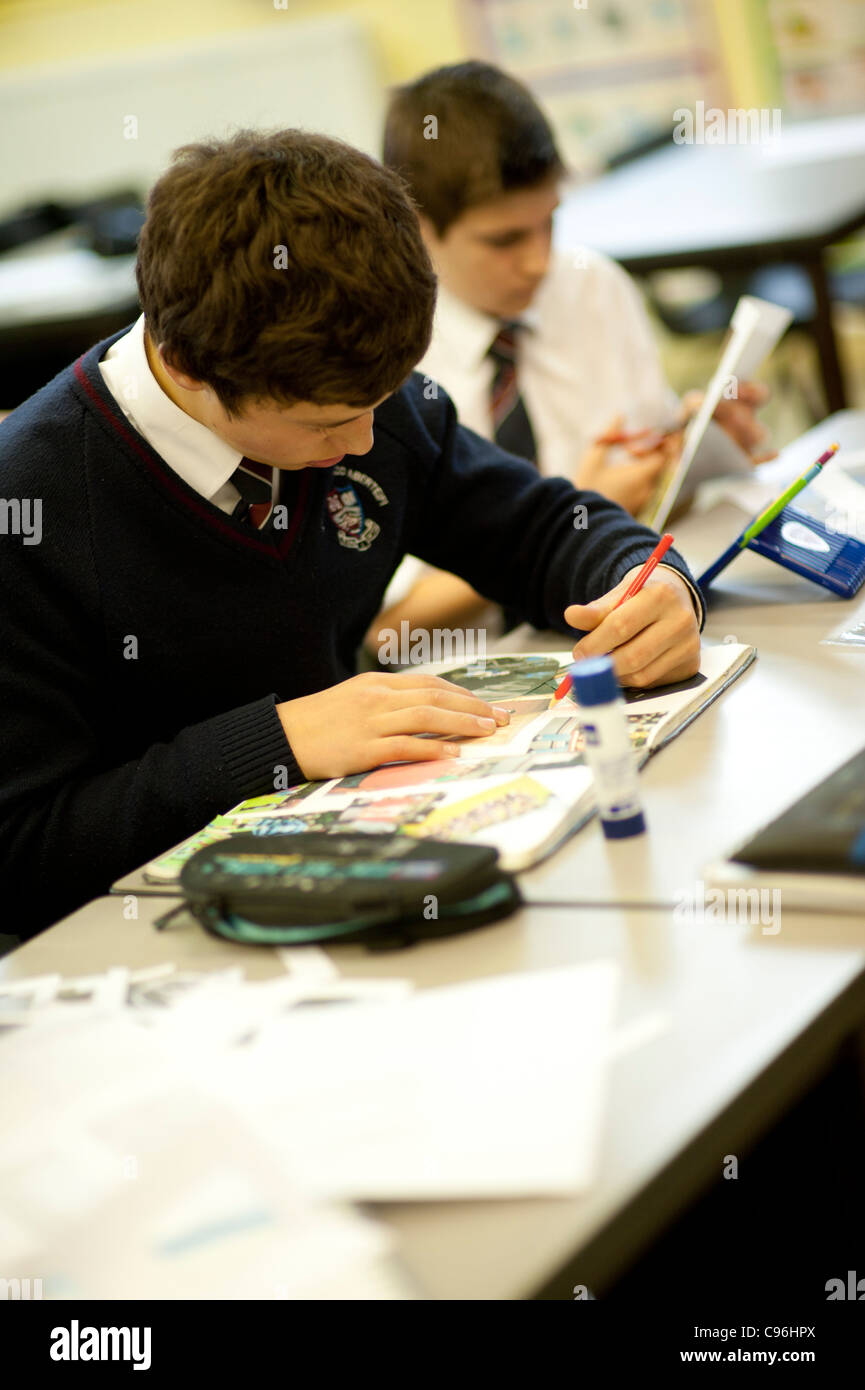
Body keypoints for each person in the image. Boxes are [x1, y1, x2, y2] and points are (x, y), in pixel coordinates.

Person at [0, 128, 702, 939]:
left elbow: (541, 528)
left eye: (384, 401)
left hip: (350, 874)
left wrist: (647, 583)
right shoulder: (31, 510)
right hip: (138, 945)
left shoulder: (357, 386)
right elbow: (21, 852)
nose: (368, 443)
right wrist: (278, 740)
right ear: (188, 366)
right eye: (329, 423)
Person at [371, 61, 769, 652]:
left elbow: (659, 507)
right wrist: (576, 514)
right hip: (476, 666)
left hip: (619, 621)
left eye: (550, 223)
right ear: (417, 227)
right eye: (505, 239)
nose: (538, 260)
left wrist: (697, 447)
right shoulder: (379, 354)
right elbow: (383, 633)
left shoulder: (591, 287)